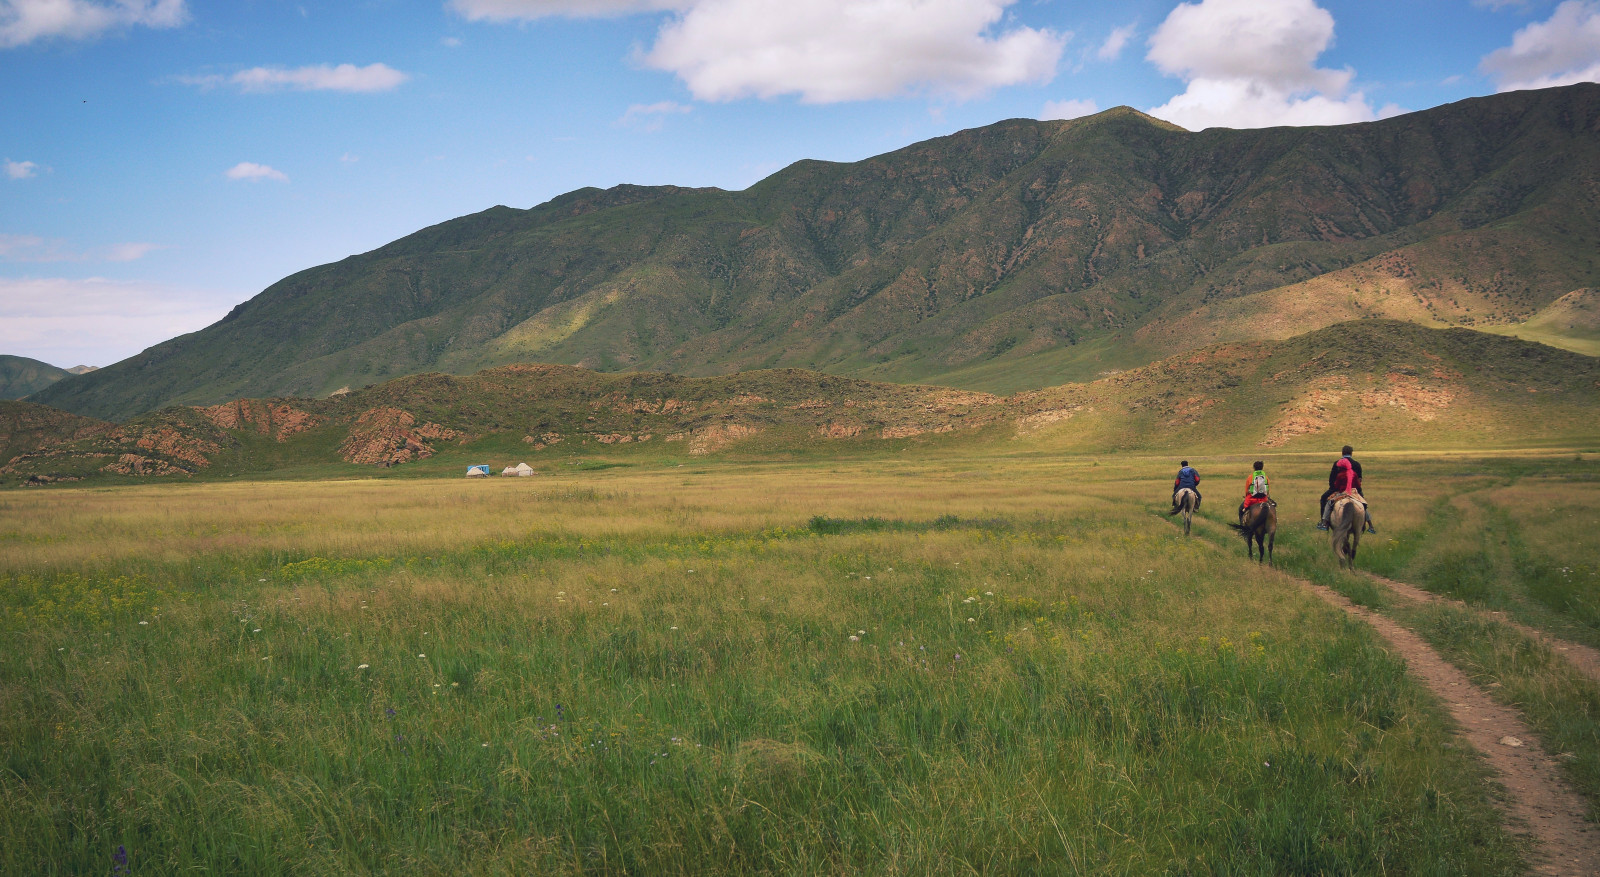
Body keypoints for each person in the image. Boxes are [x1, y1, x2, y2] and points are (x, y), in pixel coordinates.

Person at [1318, 445, 1375, 533]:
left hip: (1340, 490)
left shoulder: (1337, 464)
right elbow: (1359, 480)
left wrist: (1334, 490)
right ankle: (1368, 525)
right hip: (1354, 490)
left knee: (1325, 500)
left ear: (1342, 453)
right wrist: (1357, 489)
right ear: (1351, 453)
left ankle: (1324, 522)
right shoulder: (1356, 464)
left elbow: (1332, 480)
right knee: (1363, 504)